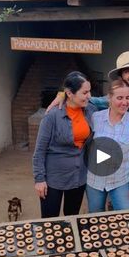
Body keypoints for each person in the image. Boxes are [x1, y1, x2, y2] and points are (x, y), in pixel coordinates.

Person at [47, 51, 129, 206]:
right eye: (127, 71)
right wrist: (63, 95)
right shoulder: (118, 97)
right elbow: (88, 99)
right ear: (121, 76)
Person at [33, 71, 95, 218]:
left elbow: (115, 101)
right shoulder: (52, 116)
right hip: (54, 179)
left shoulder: (90, 110)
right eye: (85, 92)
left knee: (72, 218)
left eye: (90, 91)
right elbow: (39, 151)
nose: (89, 96)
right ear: (69, 93)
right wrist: (39, 179)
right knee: (50, 221)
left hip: (78, 178)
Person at [86, 79, 129, 212]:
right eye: (119, 98)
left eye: (128, 98)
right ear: (109, 98)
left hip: (121, 180)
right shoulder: (95, 118)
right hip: (95, 180)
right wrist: (61, 96)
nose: (125, 102)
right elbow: (76, 101)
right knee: (95, 221)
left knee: (128, 219)